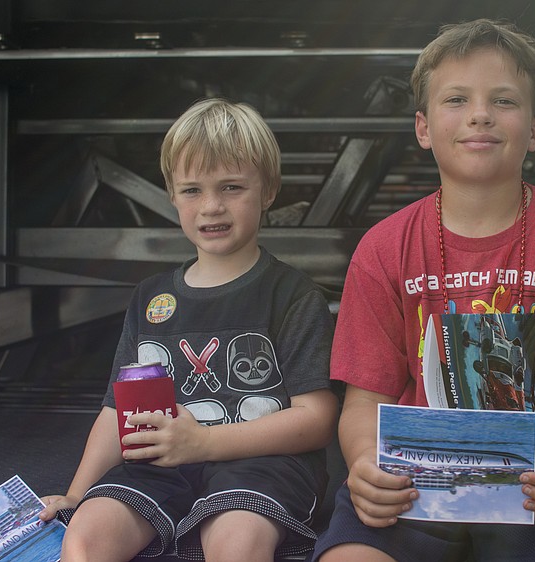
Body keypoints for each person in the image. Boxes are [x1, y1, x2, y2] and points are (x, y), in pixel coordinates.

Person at [312, 19, 535, 562]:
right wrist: (362, 464)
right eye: (456, 99)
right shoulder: (383, 249)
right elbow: (365, 401)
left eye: (504, 100)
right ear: (423, 128)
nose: (480, 114)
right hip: (415, 476)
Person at [38, 98, 339, 561]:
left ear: (269, 190)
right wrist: (75, 497)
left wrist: (206, 442)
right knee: (86, 536)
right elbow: (117, 412)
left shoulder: (294, 295)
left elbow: (316, 420)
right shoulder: (150, 297)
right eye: (193, 190)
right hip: (161, 465)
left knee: (236, 541)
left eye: (232, 187)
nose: (212, 206)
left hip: (261, 467)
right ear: (172, 195)